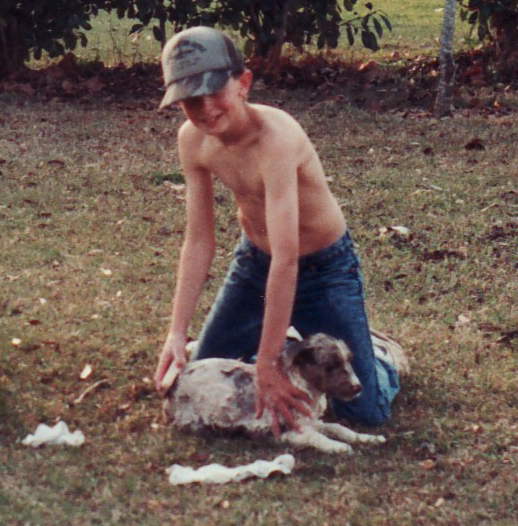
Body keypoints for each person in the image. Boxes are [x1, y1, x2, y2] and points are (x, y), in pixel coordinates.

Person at [151, 26, 400, 433]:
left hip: (323, 269)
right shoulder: (192, 140)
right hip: (254, 266)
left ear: (244, 83)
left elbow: (287, 258)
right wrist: (176, 333)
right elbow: (198, 240)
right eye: (191, 99)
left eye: (215, 91)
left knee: (363, 411)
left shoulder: (276, 139)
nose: (206, 108)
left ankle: (379, 356)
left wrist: (267, 364)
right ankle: (285, 343)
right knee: (204, 369)